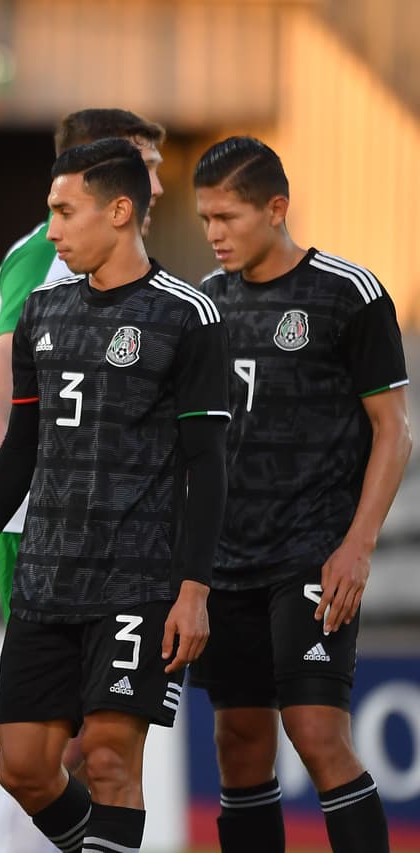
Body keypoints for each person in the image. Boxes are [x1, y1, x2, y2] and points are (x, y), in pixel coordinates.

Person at [0, 138, 230, 853]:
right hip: (46, 580)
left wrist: (193, 590)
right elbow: (21, 450)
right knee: (24, 767)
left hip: (137, 581)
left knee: (107, 760)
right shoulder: (40, 313)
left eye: (66, 212)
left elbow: (208, 465)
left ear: (120, 211)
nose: (54, 229)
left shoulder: (188, 316)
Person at [190, 136, 410, 853]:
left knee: (316, 732)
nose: (214, 234)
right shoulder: (204, 306)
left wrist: (356, 546)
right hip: (226, 561)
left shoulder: (347, 293)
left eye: (227, 217)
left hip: (312, 556)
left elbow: (393, 431)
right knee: (239, 741)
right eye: (205, 220)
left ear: (276, 208)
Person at [0, 107, 166, 853]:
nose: (156, 180)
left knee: (90, 736)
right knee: (58, 734)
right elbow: (4, 353)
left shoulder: (153, 287)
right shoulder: (43, 258)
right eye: (142, 159)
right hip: (46, 522)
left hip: (114, 528)